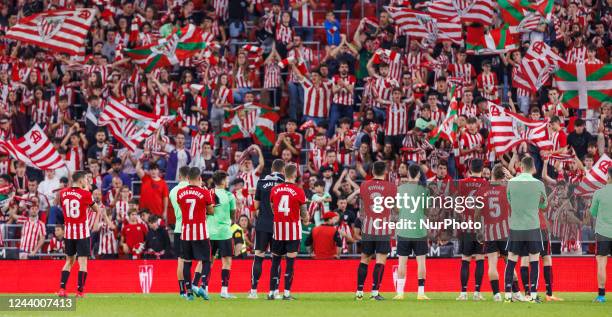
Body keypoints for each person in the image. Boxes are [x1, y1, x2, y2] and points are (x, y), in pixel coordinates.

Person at [475, 165, 523, 302]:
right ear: (503, 177)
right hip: (505, 232)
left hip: (489, 233)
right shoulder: (506, 188)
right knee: (510, 263)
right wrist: (512, 178)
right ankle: (516, 293)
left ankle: (496, 295)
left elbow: (477, 214)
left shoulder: (482, 189)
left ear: (492, 175)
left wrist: (479, 230)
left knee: (492, 264)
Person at [504, 156, 548, 303]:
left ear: (521, 167)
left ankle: (508, 296)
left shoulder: (511, 183)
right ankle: (533, 296)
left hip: (516, 227)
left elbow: (509, 200)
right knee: (534, 261)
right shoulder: (539, 184)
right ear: (533, 167)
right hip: (532, 227)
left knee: (511, 261)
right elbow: (543, 205)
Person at [355, 160, 397, 301]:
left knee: (364, 259)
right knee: (380, 261)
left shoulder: (364, 185)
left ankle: (359, 292)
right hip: (383, 228)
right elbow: (395, 209)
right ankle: (374, 292)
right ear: (385, 172)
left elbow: (361, 208)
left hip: (367, 227)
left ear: (372, 171)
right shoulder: (392, 187)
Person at [268, 164, 308, 300]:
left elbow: (272, 207)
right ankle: (286, 293)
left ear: (284, 173)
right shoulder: (299, 191)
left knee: (275, 262)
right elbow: (303, 212)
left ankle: (271, 292)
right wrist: (306, 219)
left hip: (278, 230)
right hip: (293, 231)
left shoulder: (274, 189)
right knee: (290, 262)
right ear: (295, 174)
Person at [57, 171, 100, 298]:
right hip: (82, 233)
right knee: (83, 263)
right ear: (81, 181)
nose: (87, 182)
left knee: (69, 261)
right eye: (85, 180)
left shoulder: (63, 193)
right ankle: (80, 291)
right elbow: (96, 209)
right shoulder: (86, 194)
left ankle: (62, 289)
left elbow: (63, 207)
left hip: (69, 233)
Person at [195, 171, 236, 299]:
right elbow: (233, 214)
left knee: (207, 261)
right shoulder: (229, 195)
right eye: (227, 179)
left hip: (210, 233)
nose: (228, 182)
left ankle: (202, 286)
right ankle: (224, 290)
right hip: (224, 233)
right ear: (223, 181)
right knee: (227, 261)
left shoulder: (208, 193)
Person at [176, 167, 214, 301]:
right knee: (206, 260)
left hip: (186, 232)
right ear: (199, 178)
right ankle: (203, 287)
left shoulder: (180, 193)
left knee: (187, 262)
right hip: (201, 232)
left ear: (187, 178)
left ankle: (189, 293)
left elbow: (182, 208)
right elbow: (211, 211)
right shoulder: (205, 192)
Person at [249, 159, 286, 299]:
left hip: (263, 224)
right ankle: (274, 291)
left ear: (271, 168)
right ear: (283, 170)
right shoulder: (284, 183)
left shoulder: (262, 181)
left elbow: (256, 206)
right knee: (276, 258)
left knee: (258, 257)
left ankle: (253, 291)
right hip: (279, 225)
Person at [394, 164, 430, 300]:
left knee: (402, 262)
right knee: (421, 262)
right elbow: (427, 211)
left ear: (408, 174)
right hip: (419, 230)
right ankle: (420, 293)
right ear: (419, 174)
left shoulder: (400, 189)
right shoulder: (425, 190)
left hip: (404, 229)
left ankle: (400, 293)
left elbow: (396, 209)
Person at [456, 158, 487, 301]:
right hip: (480, 229)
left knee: (465, 260)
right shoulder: (486, 184)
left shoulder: (461, 184)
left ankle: (463, 293)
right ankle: (477, 292)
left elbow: (456, 205)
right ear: (482, 169)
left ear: (469, 168)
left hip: (466, 227)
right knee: (480, 259)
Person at [590, 167, 612, 303]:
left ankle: (601, 295)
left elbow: (593, 212)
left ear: (608, 177)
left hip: (603, 233)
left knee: (602, 263)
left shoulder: (599, 193)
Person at [169, 166, 190, 297]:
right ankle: (195, 286)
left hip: (179, 229)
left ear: (180, 176)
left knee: (181, 260)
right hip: (193, 228)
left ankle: (182, 290)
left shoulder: (173, 191)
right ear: (189, 176)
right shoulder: (195, 189)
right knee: (199, 259)